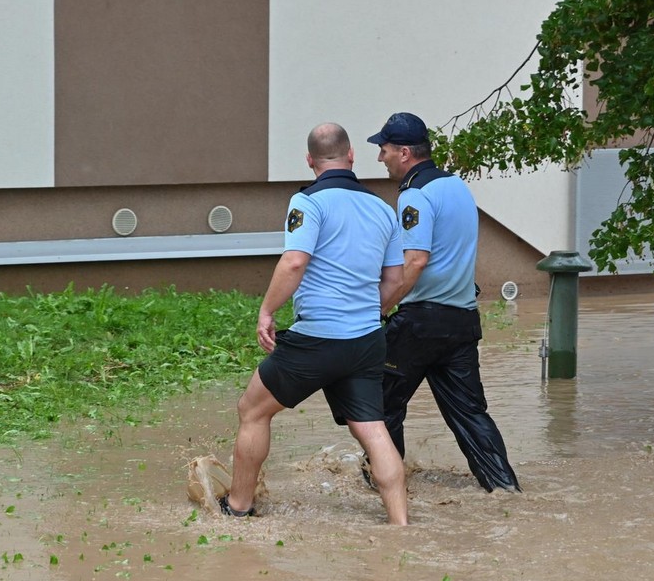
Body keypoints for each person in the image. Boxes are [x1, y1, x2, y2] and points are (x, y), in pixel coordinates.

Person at [221, 122, 409, 525]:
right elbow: (395, 279)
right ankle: (400, 523)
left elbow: (294, 261)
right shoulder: (383, 208)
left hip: (317, 340)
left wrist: (266, 311)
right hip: (367, 340)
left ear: (309, 161)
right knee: (374, 429)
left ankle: (238, 507)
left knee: (252, 411)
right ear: (352, 155)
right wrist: (364, 314)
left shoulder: (307, 202)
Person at [367, 111, 522, 493]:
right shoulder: (457, 187)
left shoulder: (414, 194)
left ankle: (385, 487)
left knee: (377, 405)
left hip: (421, 323)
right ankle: (505, 490)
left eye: (384, 149)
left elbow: (415, 260)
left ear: (404, 153)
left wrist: (379, 307)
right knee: (469, 414)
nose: (380, 157)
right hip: (461, 321)